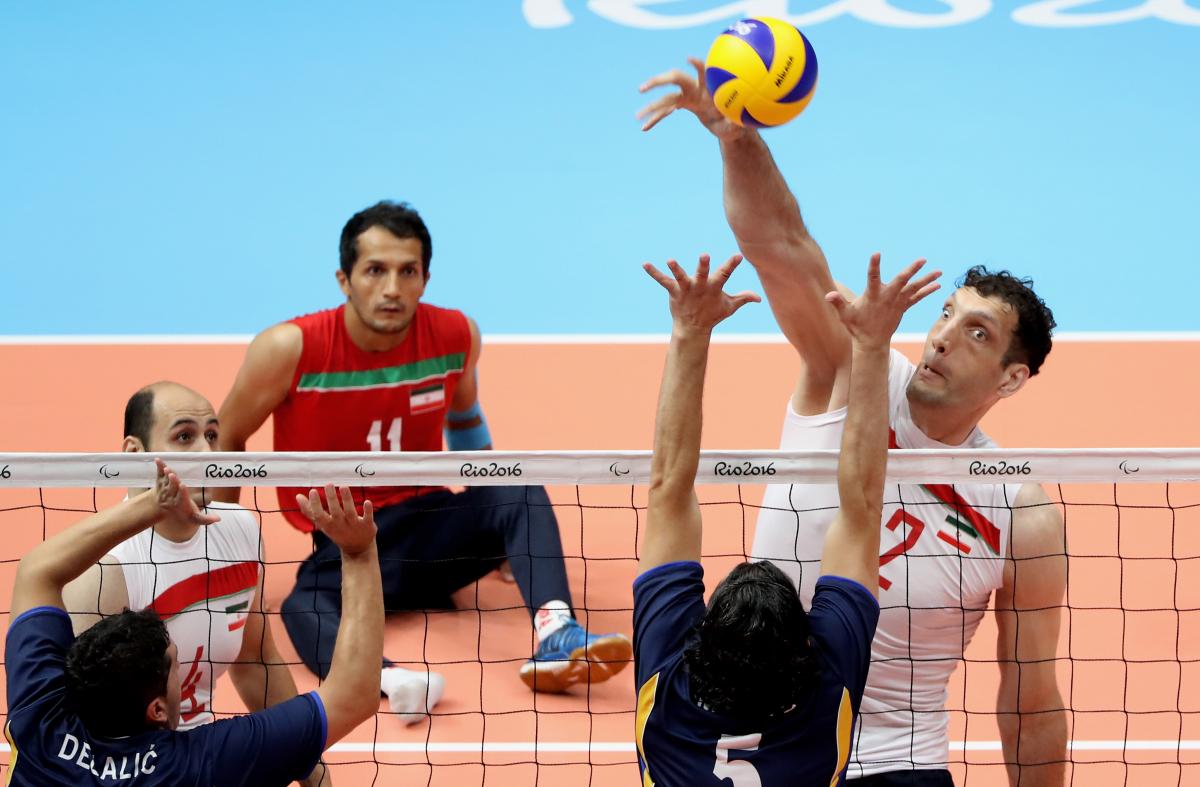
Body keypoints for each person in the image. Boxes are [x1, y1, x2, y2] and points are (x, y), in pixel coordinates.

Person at [638, 63, 1067, 786]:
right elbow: (782, 245)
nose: (940, 338)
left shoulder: (1020, 513)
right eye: (944, 314)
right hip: (749, 725)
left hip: (896, 760)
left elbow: (1029, 699)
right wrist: (735, 138)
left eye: (978, 334)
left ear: (1013, 378)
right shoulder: (853, 370)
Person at [216, 200, 631, 722]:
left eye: (407, 271)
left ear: (425, 278)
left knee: (519, 486)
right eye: (375, 270)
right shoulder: (290, 349)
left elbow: (466, 425)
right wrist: (218, 544)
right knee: (300, 606)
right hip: (350, 542)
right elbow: (226, 440)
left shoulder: (455, 336)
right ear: (344, 279)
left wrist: (506, 529)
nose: (391, 288)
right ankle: (389, 679)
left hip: (433, 529)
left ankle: (556, 633)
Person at [635, 252, 940, 785]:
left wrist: (690, 330)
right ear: (807, 647)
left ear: (698, 641)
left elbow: (667, 490)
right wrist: (870, 348)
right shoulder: (824, 697)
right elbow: (864, 505)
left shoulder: (668, 694)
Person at [4, 458, 382, 786]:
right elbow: (354, 696)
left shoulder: (41, 721)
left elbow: (36, 572)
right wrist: (359, 552)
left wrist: (149, 504)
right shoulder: (199, 764)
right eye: (175, 668)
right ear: (158, 710)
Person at [59, 382, 330, 786]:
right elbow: (81, 727)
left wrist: (314, 774)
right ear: (136, 454)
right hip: (133, 771)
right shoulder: (105, 571)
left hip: (206, 755)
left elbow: (256, 660)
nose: (206, 452)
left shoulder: (239, 529)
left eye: (212, 436)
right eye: (184, 437)